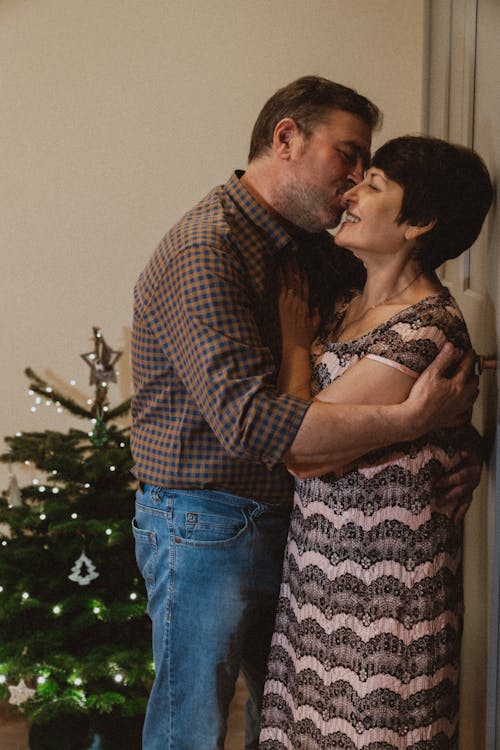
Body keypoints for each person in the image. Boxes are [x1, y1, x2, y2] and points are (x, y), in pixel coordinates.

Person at [130, 77, 481, 750]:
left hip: (295, 533)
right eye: (348, 155)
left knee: (286, 721)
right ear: (286, 138)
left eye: (367, 169)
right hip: (207, 523)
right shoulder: (209, 249)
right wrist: (416, 420)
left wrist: (459, 443)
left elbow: (403, 348)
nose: (353, 182)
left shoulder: (319, 248)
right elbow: (259, 426)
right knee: (191, 728)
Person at [259, 135, 493, 750]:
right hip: (315, 592)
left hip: (385, 610)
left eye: (376, 185)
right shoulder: (344, 304)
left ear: (418, 222)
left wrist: (291, 348)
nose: (352, 193)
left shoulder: (427, 328)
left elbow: (301, 449)